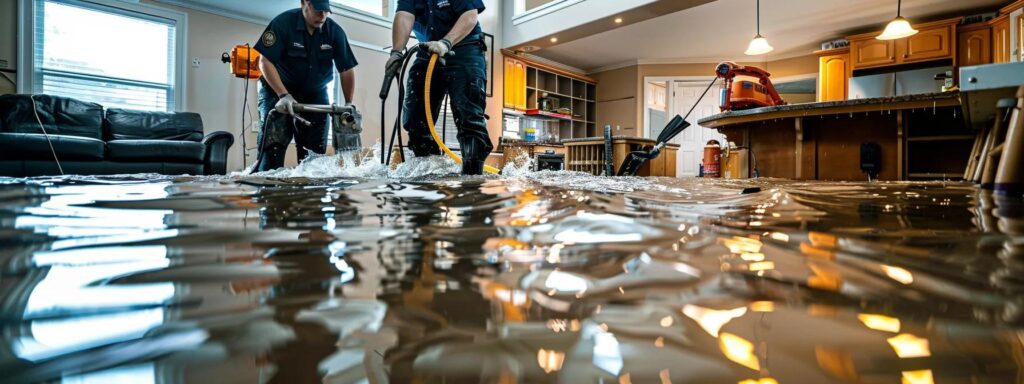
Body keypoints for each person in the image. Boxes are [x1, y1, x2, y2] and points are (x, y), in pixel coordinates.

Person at [387, 0, 492, 175]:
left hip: (465, 49)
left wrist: (446, 42)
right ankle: (428, 177)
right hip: (428, 50)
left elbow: (470, 15)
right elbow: (404, 15)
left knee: (469, 117)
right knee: (415, 118)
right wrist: (396, 52)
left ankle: (472, 179)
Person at [253, 0, 358, 171]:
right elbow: (265, 61)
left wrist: (348, 103)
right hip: (277, 89)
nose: (322, 15)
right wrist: (283, 95)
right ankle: (266, 180)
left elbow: (346, 69)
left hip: (315, 93)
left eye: (326, 11)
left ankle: (309, 187)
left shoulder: (334, 32)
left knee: (314, 155)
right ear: (304, 3)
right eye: (318, 10)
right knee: (273, 145)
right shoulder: (282, 23)